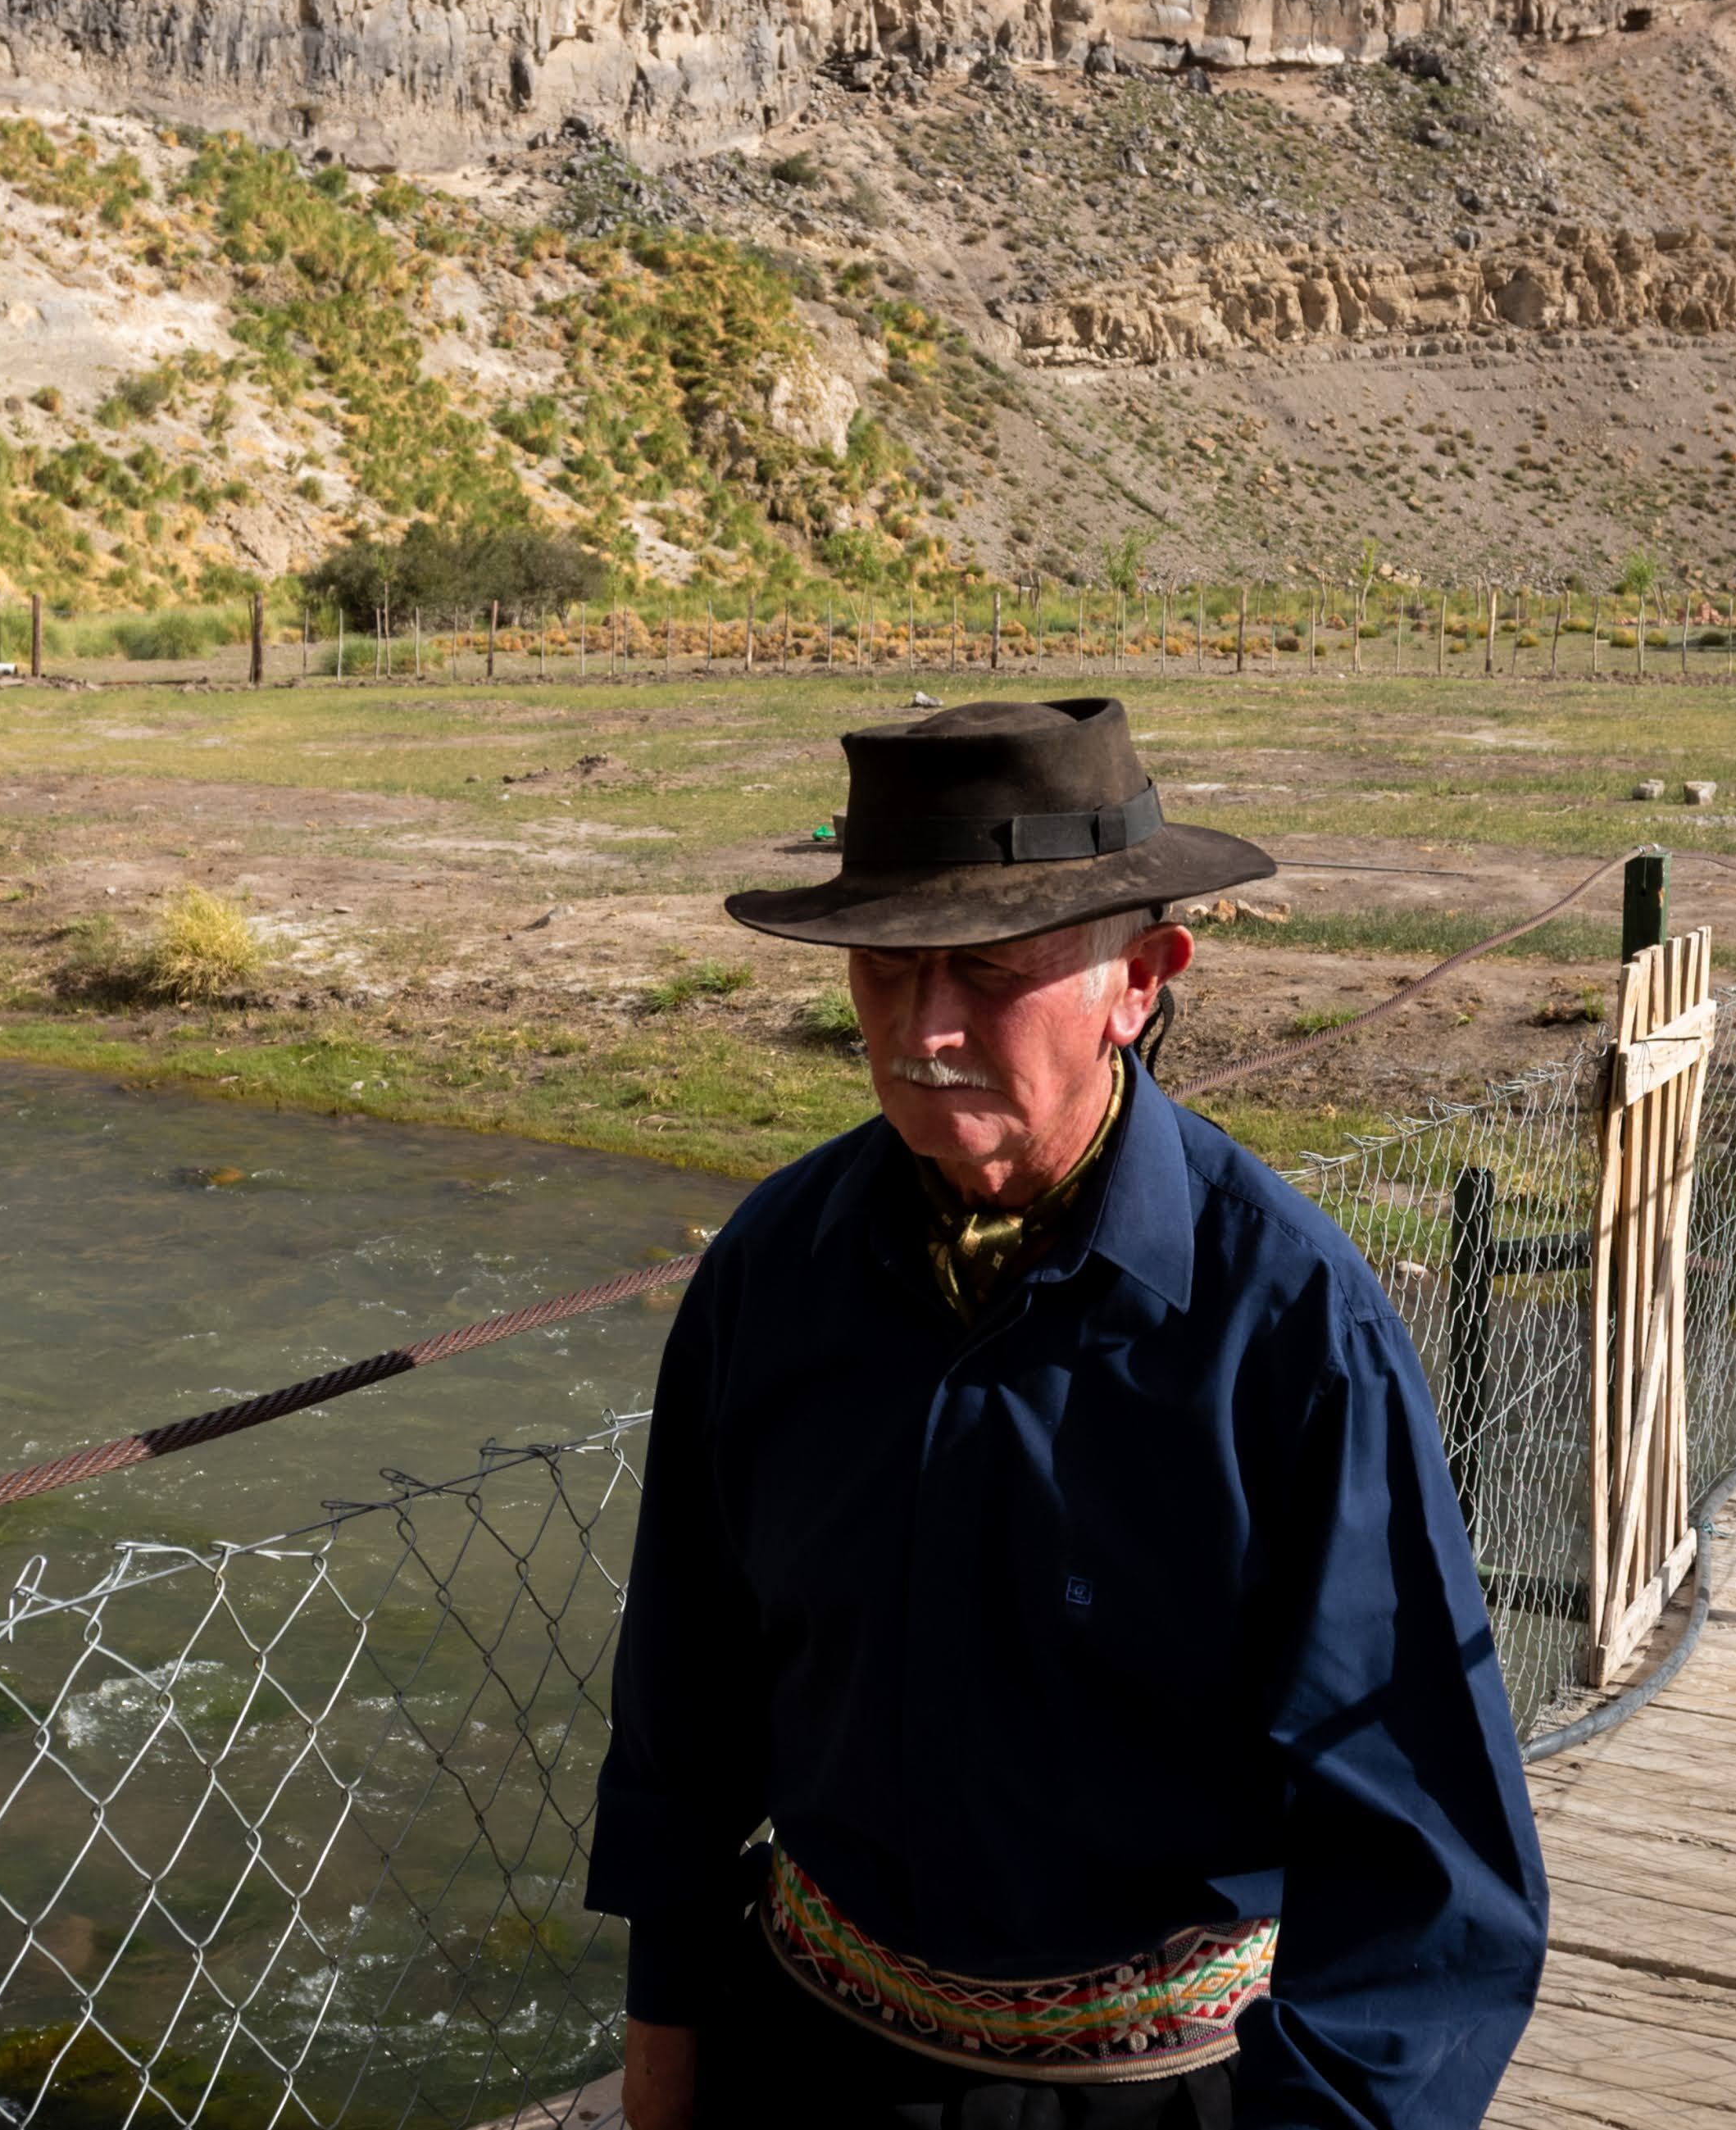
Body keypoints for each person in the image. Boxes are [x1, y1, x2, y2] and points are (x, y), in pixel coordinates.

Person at [588, 697, 1547, 2128]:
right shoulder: (769, 1275)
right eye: (885, 970)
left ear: (1140, 977)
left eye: (986, 969)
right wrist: (665, 2063)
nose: (923, 1032)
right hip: (805, 2067)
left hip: (1163, 2097)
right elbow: (684, 1710)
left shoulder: (1289, 1323)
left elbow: (1424, 1874)